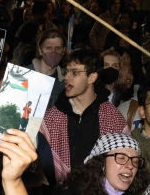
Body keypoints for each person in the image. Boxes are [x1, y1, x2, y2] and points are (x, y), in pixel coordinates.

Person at [38, 49, 127, 186]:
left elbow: (124, 162)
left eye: (74, 73)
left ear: (92, 77)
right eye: (66, 71)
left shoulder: (113, 118)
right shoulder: (51, 118)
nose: (67, 77)